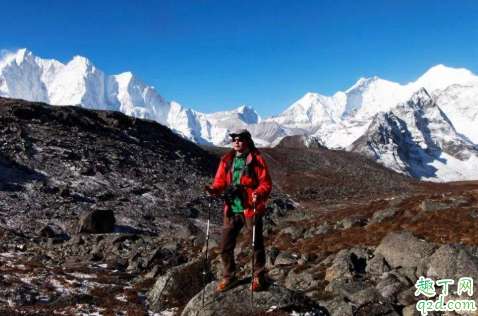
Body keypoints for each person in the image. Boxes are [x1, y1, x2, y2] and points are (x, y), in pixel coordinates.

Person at [205, 129, 272, 292]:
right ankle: (229, 276)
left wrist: (259, 193)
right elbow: (220, 181)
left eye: (240, 139)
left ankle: (258, 276)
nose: (236, 141)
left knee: (256, 243)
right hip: (232, 207)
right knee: (225, 245)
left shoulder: (256, 159)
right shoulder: (226, 160)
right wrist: (214, 189)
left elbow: (266, 183)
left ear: (247, 141)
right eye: (234, 139)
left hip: (250, 207)